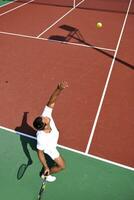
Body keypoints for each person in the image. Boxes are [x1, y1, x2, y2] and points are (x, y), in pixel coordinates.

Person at [33, 81, 68, 182]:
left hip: (53, 137)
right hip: (51, 148)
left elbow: (51, 101)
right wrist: (46, 166)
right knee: (62, 166)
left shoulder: (46, 116)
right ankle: (46, 174)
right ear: (44, 126)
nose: (46, 117)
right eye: (45, 119)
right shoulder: (41, 138)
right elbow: (40, 152)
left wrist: (59, 89)